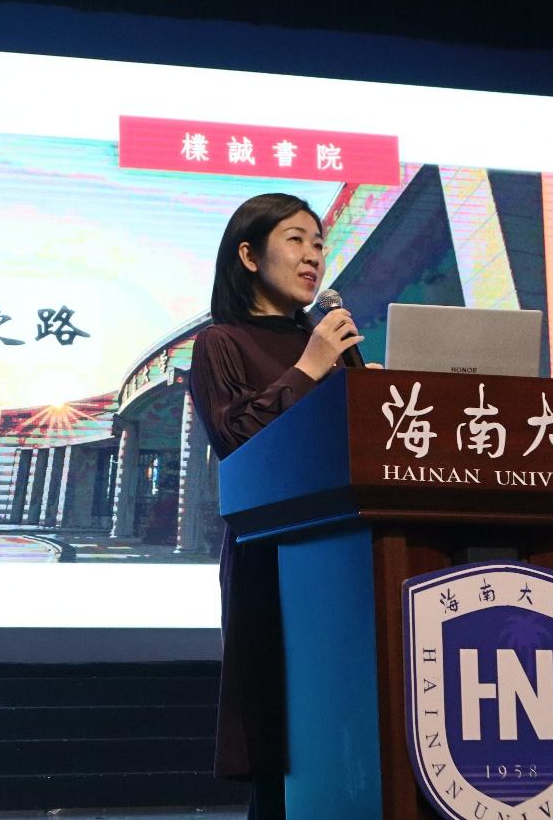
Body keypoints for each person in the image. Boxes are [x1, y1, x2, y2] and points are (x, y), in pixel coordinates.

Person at [188, 193, 365, 820]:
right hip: (272, 559)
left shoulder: (328, 343)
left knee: (349, 724)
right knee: (282, 734)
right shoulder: (220, 343)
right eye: (296, 240)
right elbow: (237, 439)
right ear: (248, 255)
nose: (313, 255)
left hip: (347, 557)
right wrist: (311, 366)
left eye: (319, 243)